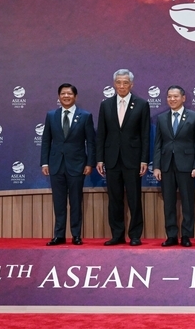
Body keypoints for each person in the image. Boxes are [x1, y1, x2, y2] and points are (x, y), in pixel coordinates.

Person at [96, 69, 151, 246]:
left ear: (131, 85)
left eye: (125, 82)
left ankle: (135, 235)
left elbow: (145, 135)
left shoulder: (142, 104)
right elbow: (101, 134)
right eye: (118, 82)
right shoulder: (106, 105)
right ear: (114, 84)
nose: (121, 86)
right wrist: (99, 159)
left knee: (134, 199)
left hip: (133, 159)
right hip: (111, 159)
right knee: (114, 199)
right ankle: (117, 234)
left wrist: (144, 159)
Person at [40, 83, 96, 246]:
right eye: (63, 93)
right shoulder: (51, 115)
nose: (66, 96)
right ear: (59, 96)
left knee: (76, 201)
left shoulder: (85, 116)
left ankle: (76, 235)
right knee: (59, 202)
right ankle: (59, 235)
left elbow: (91, 142)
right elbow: (46, 141)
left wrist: (90, 163)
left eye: (69, 94)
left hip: (77, 165)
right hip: (56, 164)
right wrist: (44, 162)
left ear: (75, 97)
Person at [153, 85, 195, 248]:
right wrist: (156, 166)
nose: (172, 99)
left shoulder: (194, 117)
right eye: (169, 97)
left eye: (175, 96)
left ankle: (187, 235)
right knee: (168, 202)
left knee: (188, 202)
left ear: (183, 98)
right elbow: (158, 144)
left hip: (187, 166)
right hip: (166, 165)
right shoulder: (161, 118)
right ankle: (171, 235)